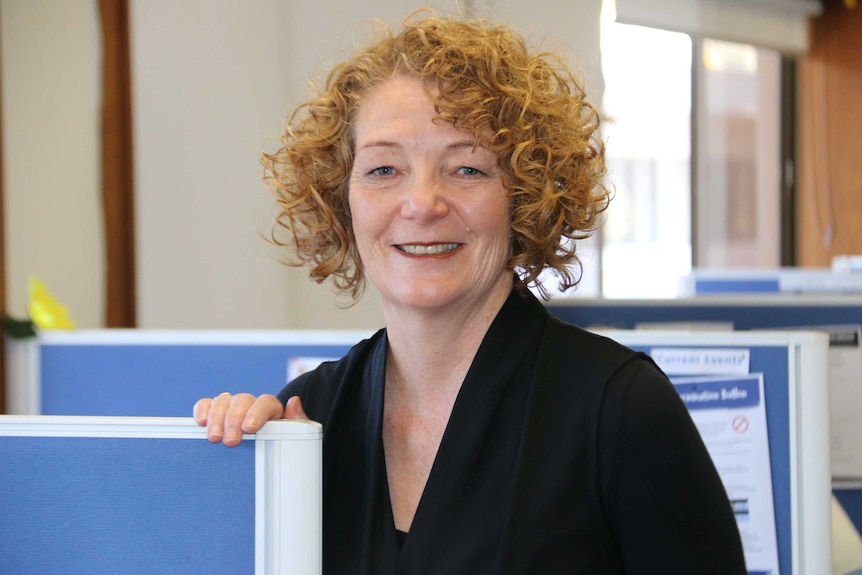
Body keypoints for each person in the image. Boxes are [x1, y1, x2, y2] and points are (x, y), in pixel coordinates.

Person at [194, 9, 747, 574]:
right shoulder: (310, 417)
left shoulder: (619, 410)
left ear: (524, 196)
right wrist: (240, 475)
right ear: (344, 201)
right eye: (384, 170)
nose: (422, 203)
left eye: (467, 169)